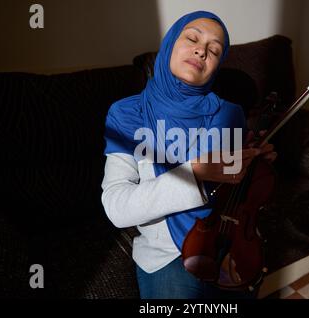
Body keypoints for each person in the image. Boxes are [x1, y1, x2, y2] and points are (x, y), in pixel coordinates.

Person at [101, 11, 277, 299]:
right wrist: (194, 172)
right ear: (170, 44)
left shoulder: (229, 112)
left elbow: (235, 194)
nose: (201, 50)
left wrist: (254, 164)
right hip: (166, 255)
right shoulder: (127, 113)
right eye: (192, 38)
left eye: (215, 50)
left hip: (229, 241)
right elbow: (116, 207)